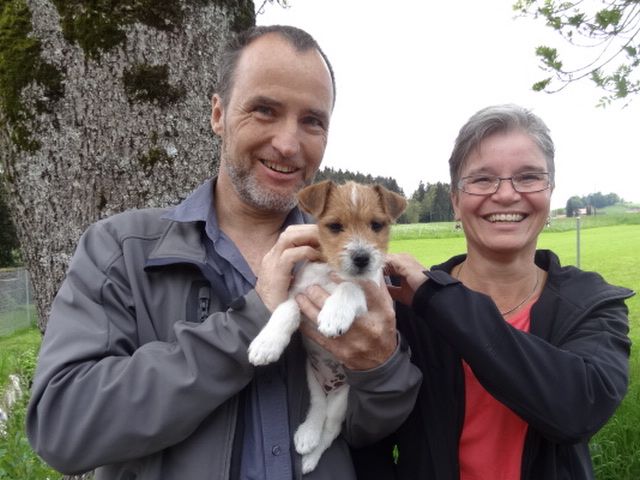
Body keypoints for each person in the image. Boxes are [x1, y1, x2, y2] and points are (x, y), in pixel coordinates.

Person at [26, 25, 421, 480]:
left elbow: (373, 432)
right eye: (265, 110)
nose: (288, 144)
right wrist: (246, 325)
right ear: (218, 114)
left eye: (312, 121)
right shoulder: (121, 250)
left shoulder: (352, 263)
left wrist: (379, 368)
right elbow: (62, 430)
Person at [353, 104, 634, 480]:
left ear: (549, 193)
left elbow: (578, 410)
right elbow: (366, 437)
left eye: (528, 177)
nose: (505, 195)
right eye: (482, 180)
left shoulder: (590, 303)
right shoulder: (401, 307)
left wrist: (438, 298)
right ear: (455, 201)